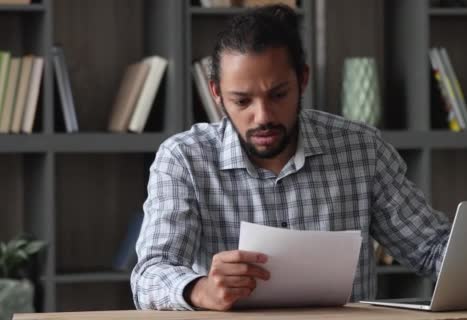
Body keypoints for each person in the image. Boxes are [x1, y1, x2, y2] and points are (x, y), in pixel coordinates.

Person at [131, 4, 450, 311]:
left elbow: (430, 248)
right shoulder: (184, 158)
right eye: (242, 101)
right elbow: (149, 276)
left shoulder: (361, 148)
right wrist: (201, 290)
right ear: (217, 94)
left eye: (278, 95)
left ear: (303, 80)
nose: (263, 117)